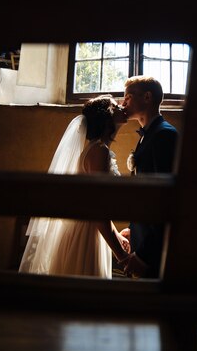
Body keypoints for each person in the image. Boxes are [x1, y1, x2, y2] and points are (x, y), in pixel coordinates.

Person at [19, 95, 130, 278]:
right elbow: (97, 210)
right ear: (107, 116)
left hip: (92, 230)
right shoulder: (99, 151)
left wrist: (116, 234)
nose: (122, 107)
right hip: (87, 236)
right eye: (116, 106)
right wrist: (122, 256)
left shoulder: (99, 149)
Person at [121, 75, 178, 278]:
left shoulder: (164, 135)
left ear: (147, 97)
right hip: (143, 237)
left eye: (128, 96)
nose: (122, 103)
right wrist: (133, 229)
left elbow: (165, 200)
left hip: (155, 252)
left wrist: (144, 254)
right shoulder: (148, 134)